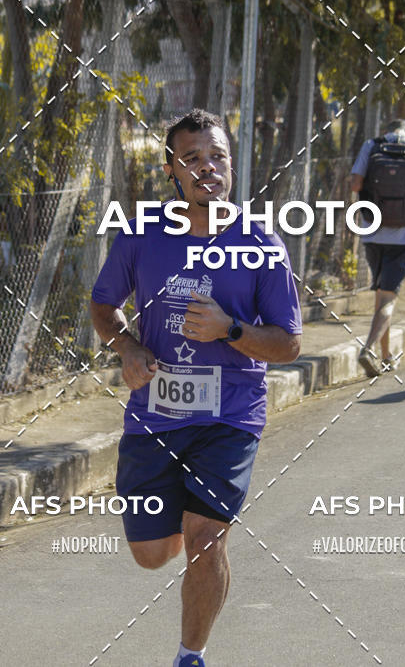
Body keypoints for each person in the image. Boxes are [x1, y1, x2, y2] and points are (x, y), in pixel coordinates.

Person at [90, 108, 302, 667]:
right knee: (151, 554)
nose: (207, 167)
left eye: (217, 156)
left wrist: (230, 330)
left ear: (231, 164)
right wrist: (128, 348)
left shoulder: (261, 241)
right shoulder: (143, 234)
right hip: (155, 415)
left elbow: (288, 344)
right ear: (171, 170)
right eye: (192, 159)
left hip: (230, 416)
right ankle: (183, 523)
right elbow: (103, 306)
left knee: (206, 539)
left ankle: (191, 655)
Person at [350, 118, 405, 377]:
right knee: (388, 300)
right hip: (403, 238)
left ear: (386, 131)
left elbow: (355, 185)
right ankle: (368, 349)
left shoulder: (371, 146)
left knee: (381, 297)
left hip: (372, 235)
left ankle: (386, 356)